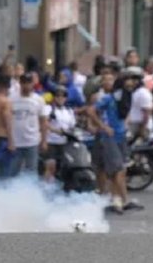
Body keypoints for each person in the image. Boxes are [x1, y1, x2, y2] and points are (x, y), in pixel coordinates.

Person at [86, 72, 139, 214]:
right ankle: (119, 199)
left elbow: (125, 114)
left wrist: (125, 125)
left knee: (120, 170)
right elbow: (91, 110)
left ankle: (118, 199)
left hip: (121, 136)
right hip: (109, 138)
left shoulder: (126, 98)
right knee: (117, 169)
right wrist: (103, 127)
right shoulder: (108, 99)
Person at [9, 72, 49, 177]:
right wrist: (9, 140)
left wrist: (44, 140)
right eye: (23, 83)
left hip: (32, 141)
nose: (26, 85)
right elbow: (7, 120)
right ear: (20, 83)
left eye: (28, 83)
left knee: (31, 173)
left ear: (32, 84)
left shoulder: (38, 100)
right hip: (16, 142)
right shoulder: (11, 99)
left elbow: (43, 121)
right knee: (13, 173)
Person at [42, 86, 76, 183]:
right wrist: (55, 130)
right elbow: (45, 123)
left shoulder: (69, 111)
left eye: (63, 96)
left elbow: (72, 126)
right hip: (51, 142)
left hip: (64, 143)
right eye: (58, 96)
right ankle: (46, 187)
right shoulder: (49, 109)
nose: (60, 98)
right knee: (51, 166)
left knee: (65, 167)